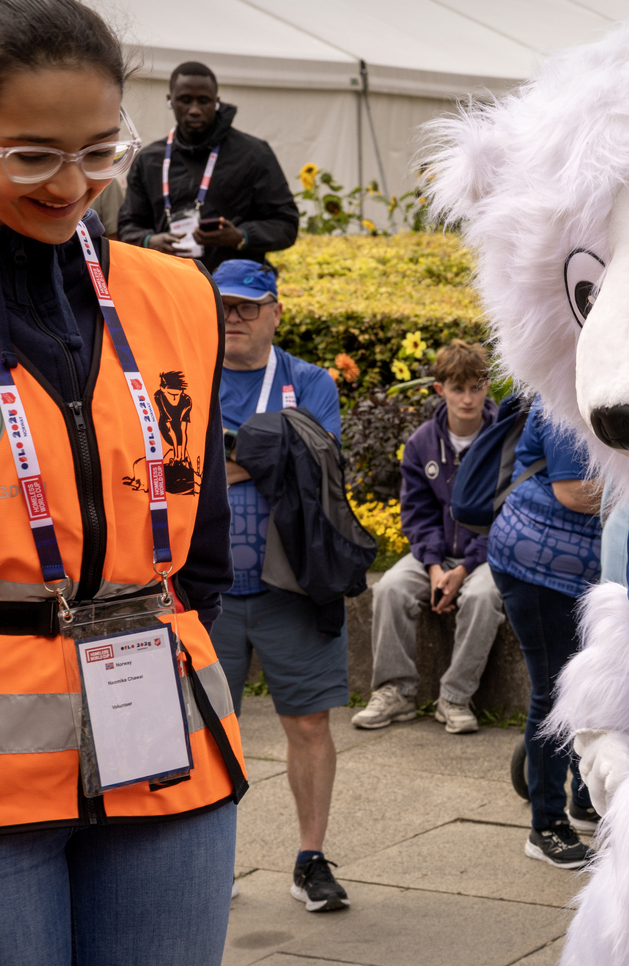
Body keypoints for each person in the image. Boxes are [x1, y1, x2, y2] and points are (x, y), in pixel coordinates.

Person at [0, 0, 246, 966]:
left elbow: (195, 532)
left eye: (97, 152)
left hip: (165, 738)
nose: (71, 184)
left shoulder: (175, 295)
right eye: (31, 156)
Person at [208, 259, 351, 912]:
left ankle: (309, 860)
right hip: (204, 589)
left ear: (275, 312)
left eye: (247, 306)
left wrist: (234, 456)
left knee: (310, 724)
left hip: (293, 585)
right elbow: (179, 470)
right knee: (204, 729)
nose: (233, 317)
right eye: (224, 305)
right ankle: (211, 864)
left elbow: (314, 463)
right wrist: (269, 452)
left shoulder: (309, 380)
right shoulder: (184, 374)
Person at [354, 340, 504, 733]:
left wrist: (465, 568)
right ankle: (395, 692)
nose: (468, 398)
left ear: (488, 386)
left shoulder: (505, 439)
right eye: (458, 388)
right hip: (435, 557)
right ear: (440, 389)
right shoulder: (422, 442)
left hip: (487, 557)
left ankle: (455, 697)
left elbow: (505, 517)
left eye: (476, 387)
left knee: (484, 596)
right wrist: (436, 568)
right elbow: (417, 515)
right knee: (390, 588)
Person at [490, 397, 602, 868]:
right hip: (537, 566)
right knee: (555, 693)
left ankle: (583, 800)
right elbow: (574, 491)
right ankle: (546, 826)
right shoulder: (565, 398)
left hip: (580, 570)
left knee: (589, 688)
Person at [116, 61, 297, 272]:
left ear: (216, 102)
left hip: (233, 291)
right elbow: (127, 227)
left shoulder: (254, 154)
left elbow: (286, 225)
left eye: (204, 101)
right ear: (170, 101)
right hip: (171, 283)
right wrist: (150, 241)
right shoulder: (148, 160)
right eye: (185, 100)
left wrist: (240, 236)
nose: (194, 110)